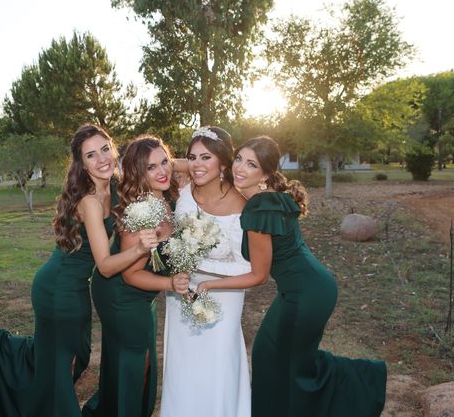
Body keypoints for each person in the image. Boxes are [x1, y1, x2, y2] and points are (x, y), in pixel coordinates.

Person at [0, 124, 159, 417]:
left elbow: (165, 167)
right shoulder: (90, 202)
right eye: (91, 155)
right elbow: (106, 267)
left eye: (105, 149)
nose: (102, 159)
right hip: (57, 289)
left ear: (113, 148)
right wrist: (140, 248)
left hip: (75, 287)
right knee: (63, 367)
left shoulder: (116, 185)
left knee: (75, 358)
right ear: (81, 163)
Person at [196, 135, 387, 417]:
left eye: (251, 164)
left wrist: (210, 283)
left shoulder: (260, 207)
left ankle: (366, 381)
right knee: (283, 360)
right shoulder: (272, 196)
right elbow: (200, 168)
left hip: (305, 294)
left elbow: (259, 276)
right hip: (310, 287)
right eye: (239, 159)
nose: (239, 168)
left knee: (274, 359)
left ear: (266, 174)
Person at [84, 136, 190, 417]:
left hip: (144, 297)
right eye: (151, 168)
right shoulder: (140, 213)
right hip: (122, 293)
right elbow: (131, 275)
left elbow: (188, 166)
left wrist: (184, 163)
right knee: (137, 364)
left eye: (164, 162)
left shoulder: (167, 197)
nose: (162, 171)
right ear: (138, 174)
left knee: (133, 361)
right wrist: (170, 283)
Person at [160, 126, 252, 417]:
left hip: (225, 294)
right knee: (183, 366)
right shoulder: (185, 191)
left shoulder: (242, 206)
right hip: (182, 293)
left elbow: (247, 266)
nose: (197, 165)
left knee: (217, 366)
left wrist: (194, 261)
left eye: (206, 157)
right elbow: (163, 162)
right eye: (192, 157)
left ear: (223, 162)